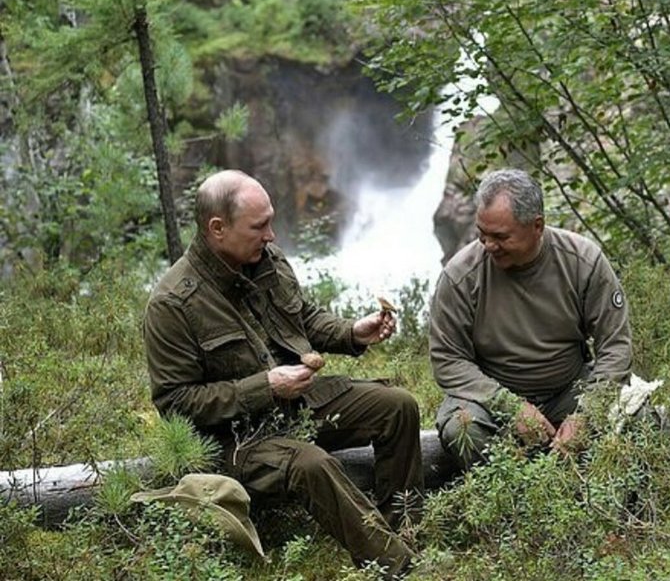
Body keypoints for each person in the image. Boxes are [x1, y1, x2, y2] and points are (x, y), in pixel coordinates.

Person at [143, 169, 423, 577]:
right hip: (237, 440)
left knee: (397, 406)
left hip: (297, 408)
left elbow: (301, 318)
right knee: (313, 464)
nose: (272, 235)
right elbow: (176, 403)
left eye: (270, 221)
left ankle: (402, 528)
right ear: (217, 229)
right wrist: (267, 387)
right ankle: (395, 566)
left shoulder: (264, 258)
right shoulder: (172, 304)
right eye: (260, 226)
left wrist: (351, 333)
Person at [430, 168, 632, 469]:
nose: (488, 246)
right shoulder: (460, 276)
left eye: (500, 237)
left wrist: (587, 414)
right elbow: (448, 359)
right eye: (481, 234)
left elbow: (616, 346)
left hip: (569, 391)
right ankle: (511, 500)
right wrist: (511, 407)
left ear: (537, 225)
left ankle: (589, 496)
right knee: (462, 428)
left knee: (634, 413)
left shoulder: (583, 261)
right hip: (492, 399)